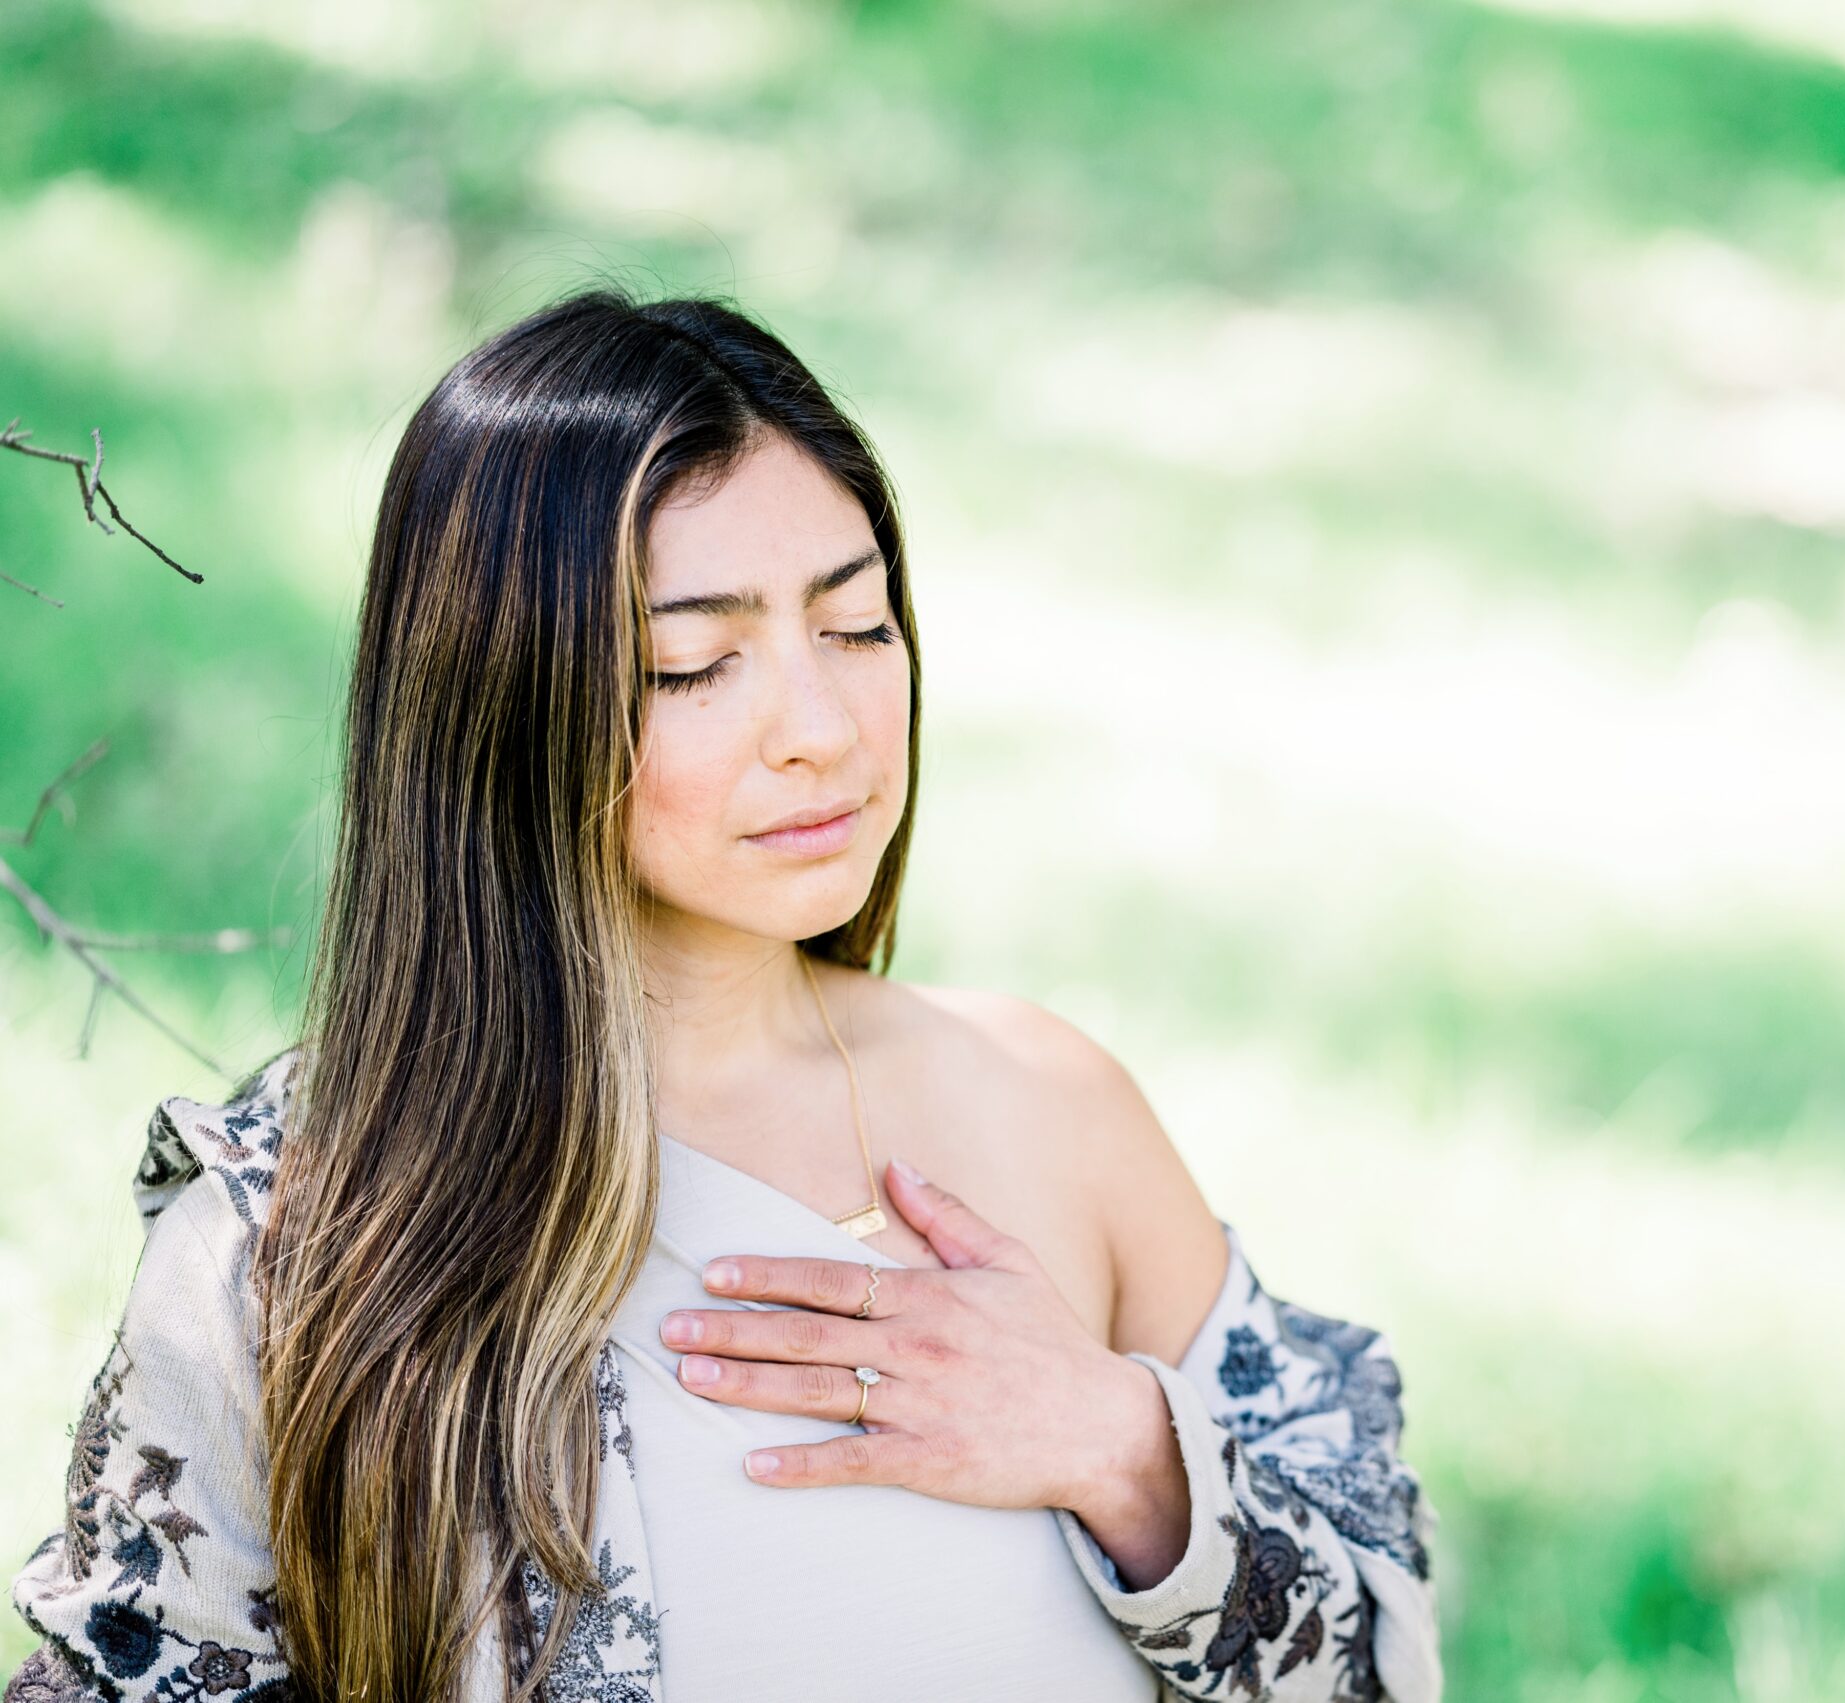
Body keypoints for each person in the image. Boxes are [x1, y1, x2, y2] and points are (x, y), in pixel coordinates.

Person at [4, 288, 1443, 1703]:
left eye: (860, 625)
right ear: (504, 701)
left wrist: (1132, 1453)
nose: (820, 729)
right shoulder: (297, 1235)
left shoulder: (1046, 1101)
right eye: (695, 664)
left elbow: (1377, 1655)